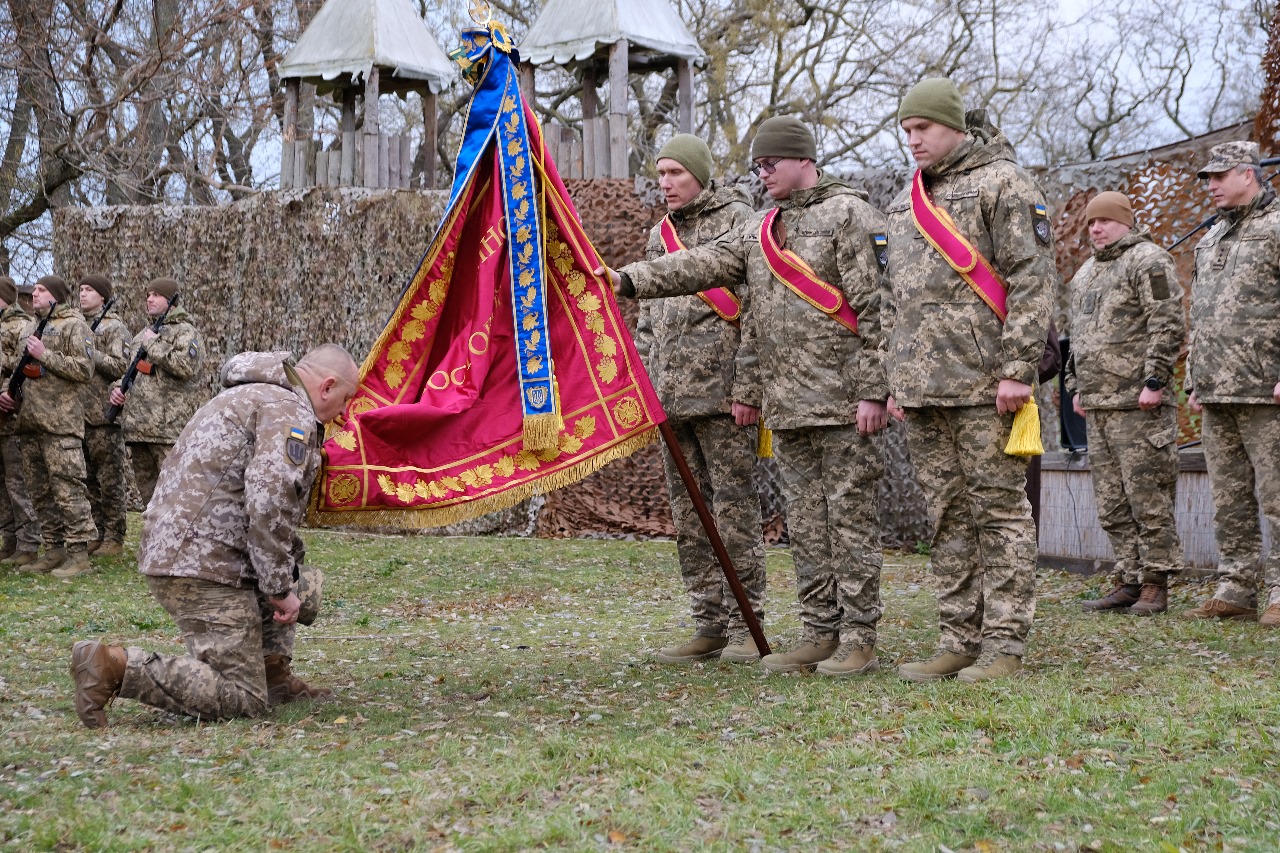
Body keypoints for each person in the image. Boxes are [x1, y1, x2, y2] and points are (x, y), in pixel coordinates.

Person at [611, 116, 891, 677]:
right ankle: (818, 632)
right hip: (789, 404)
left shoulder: (851, 215)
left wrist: (874, 391)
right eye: (758, 166)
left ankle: (859, 636)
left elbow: (878, 308)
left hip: (840, 401)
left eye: (771, 164)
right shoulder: (763, 228)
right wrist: (624, 279)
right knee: (807, 525)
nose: (762, 174)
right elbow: (705, 264)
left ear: (804, 160)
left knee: (850, 519)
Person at [69, 346, 359, 728]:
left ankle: (274, 675)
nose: (344, 413)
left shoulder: (252, 394)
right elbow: (270, 502)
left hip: (194, 548)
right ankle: (113, 667)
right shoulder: (288, 410)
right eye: (346, 400)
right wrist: (276, 586)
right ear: (327, 386)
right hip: (203, 563)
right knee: (241, 697)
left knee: (303, 586)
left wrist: (288, 577)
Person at [886, 78, 1055, 683]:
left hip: (986, 386)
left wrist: (1016, 370)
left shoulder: (1004, 183)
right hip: (924, 392)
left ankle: (1005, 644)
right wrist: (895, 377)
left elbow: (1032, 280)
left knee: (999, 513)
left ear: (955, 126)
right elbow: (891, 299)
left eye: (923, 128)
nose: (914, 140)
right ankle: (959, 637)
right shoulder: (904, 199)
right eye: (906, 130)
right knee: (946, 517)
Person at [633, 134, 767, 664]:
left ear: (700, 175)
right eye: (660, 174)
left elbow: (756, 312)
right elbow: (647, 323)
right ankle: (707, 622)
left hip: (723, 398)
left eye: (675, 174)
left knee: (734, 514)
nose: (665, 184)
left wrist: (748, 388)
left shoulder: (741, 223)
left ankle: (744, 623)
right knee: (690, 519)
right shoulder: (658, 236)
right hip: (670, 400)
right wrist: (647, 383)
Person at [1066, 191, 1185, 616]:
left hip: (1140, 404)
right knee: (1112, 502)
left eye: (1105, 221)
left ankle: (1156, 582)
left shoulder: (1148, 260)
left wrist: (1154, 380)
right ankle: (1128, 578)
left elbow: (1166, 320)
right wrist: (1075, 385)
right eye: (1091, 223)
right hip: (1099, 404)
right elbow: (1076, 338)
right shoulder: (1084, 274)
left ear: (1126, 222)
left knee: (1147, 496)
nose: (1096, 229)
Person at [1182, 141, 1280, 626]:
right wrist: (1192, 381)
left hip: (1266, 388)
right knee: (1230, 497)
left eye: (1220, 176)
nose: (1213, 186)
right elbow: (1200, 316)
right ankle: (1237, 587)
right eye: (1209, 178)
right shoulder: (1212, 237)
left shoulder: (1277, 228)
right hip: (1217, 388)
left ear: (1249, 174)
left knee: (1277, 494)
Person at [0, 275, 97, 577]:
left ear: (55, 295)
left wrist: (47, 355)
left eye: (42, 291)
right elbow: (18, 369)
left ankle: (79, 555)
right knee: (40, 492)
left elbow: (85, 370)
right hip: (29, 421)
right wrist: (7, 391)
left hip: (60, 422)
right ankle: (53, 549)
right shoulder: (31, 327)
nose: (35, 295)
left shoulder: (74, 326)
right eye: (35, 291)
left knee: (68, 490)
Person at [108, 277, 204, 506]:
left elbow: (186, 367)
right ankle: (154, 542)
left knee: (176, 498)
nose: (149, 299)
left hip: (168, 432)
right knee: (151, 503)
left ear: (171, 301)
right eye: (148, 295)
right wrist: (116, 390)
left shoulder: (186, 333)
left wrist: (153, 345)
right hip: (139, 430)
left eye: (156, 295)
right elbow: (133, 374)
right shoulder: (143, 334)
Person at [78, 274, 133, 557]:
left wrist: (91, 354)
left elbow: (120, 366)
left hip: (104, 416)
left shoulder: (114, 327)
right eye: (80, 289)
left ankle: (114, 536)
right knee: (87, 480)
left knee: (110, 480)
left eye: (89, 290)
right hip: (78, 415)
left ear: (102, 296)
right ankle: (95, 532)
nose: (83, 294)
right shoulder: (77, 324)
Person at [0, 276, 42, 567]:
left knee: (17, 482)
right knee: (2, 485)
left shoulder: (20, 327)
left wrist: (5, 391)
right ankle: (9, 541)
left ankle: (28, 543)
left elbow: (21, 368)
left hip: (12, 416)